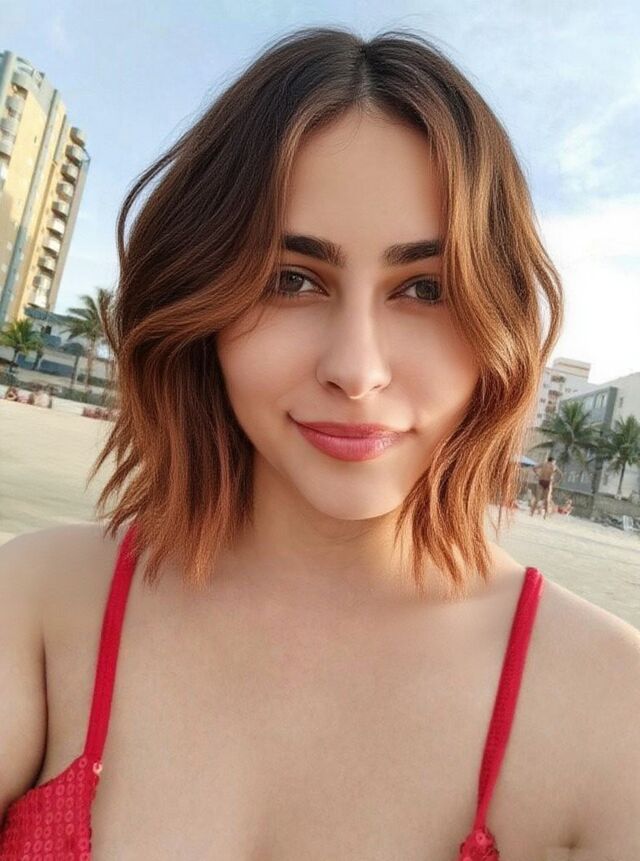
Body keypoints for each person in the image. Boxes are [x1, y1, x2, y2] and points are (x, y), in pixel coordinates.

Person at [0, 26, 638, 861]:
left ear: (498, 324)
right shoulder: (41, 604)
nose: (356, 369)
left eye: (425, 288)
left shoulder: (613, 707)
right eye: (291, 279)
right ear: (202, 297)